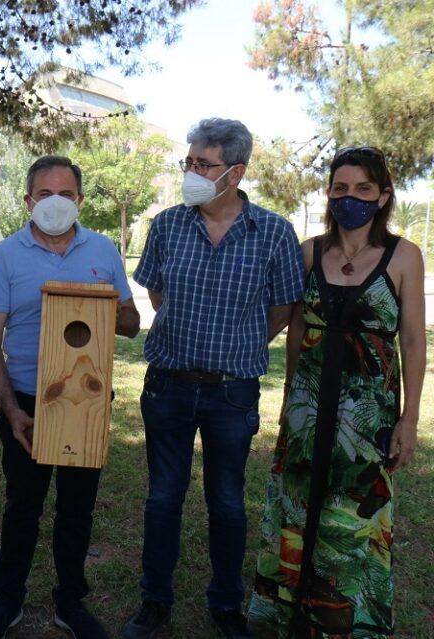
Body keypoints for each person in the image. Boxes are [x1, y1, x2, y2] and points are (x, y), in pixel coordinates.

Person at [121, 118, 304, 639]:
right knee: (163, 498)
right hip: (168, 385)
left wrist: (235, 344)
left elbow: (283, 307)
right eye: (190, 162)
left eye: (204, 164)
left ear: (236, 172)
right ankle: (154, 601)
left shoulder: (273, 232)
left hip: (232, 391)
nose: (192, 173)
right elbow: (156, 295)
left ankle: (226, 604)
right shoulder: (167, 224)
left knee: (226, 500)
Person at [248, 147, 426, 638]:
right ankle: (287, 614)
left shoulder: (404, 256)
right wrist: (288, 396)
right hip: (307, 408)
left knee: (354, 516)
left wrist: (409, 419)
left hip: (367, 417)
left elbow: (412, 339)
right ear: (329, 193)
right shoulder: (309, 251)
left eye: (363, 189)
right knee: (297, 504)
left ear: (383, 195)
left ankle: (347, 622)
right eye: (341, 188)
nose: (351, 198)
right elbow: (297, 324)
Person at [0, 155, 141, 639]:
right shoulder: (6, 255)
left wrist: (109, 303)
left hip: (86, 402)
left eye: (65, 194)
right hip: (25, 400)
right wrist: (11, 409)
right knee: (22, 504)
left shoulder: (104, 250)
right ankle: (8, 600)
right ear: (28, 200)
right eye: (44, 194)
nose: (55, 203)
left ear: (80, 200)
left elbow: (130, 325)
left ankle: (71, 602)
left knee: (76, 507)